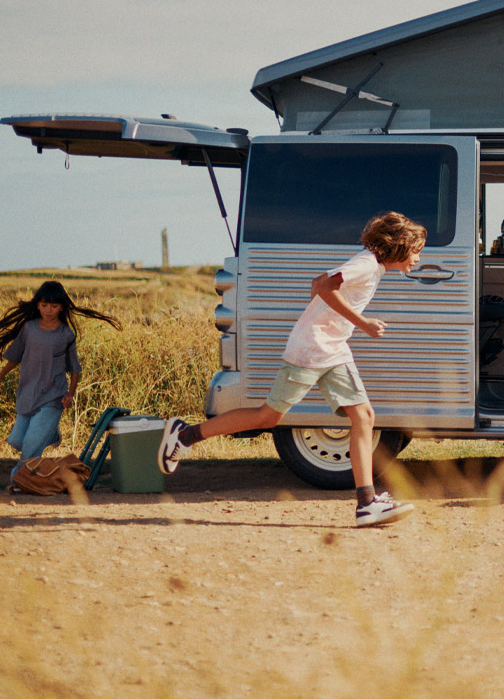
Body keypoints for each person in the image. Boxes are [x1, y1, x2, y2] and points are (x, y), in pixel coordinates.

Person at [158, 211, 424, 528]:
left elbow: (317, 284)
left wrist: (325, 319)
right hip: (311, 350)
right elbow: (325, 287)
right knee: (267, 417)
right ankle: (184, 435)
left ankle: (367, 503)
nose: (417, 259)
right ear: (400, 245)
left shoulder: (370, 265)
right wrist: (360, 322)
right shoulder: (366, 264)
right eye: (416, 251)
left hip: (330, 348)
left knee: (363, 416)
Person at [0, 280, 121, 479]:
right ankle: (52, 435)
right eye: (44, 305)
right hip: (28, 393)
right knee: (17, 440)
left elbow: (74, 369)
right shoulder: (29, 329)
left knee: (31, 443)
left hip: (53, 396)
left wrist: (70, 393)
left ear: (61, 307)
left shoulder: (65, 334)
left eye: (54, 306)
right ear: (37, 304)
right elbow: (14, 357)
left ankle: (19, 477)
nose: (48, 310)